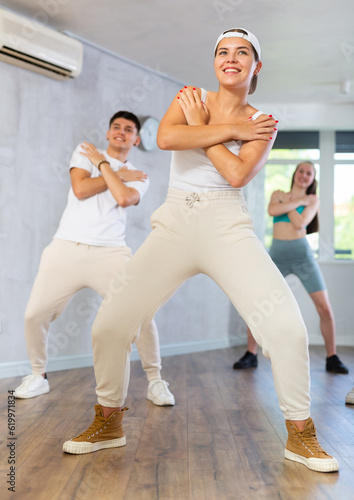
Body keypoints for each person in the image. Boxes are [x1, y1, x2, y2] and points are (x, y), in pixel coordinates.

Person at [62, 29, 339, 473]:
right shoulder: (190, 96)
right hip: (174, 224)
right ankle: (108, 421)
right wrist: (227, 129)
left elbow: (235, 175)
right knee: (109, 325)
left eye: (242, 52)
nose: (231, 58)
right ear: (214, 62)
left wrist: (201, 130)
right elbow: (168, 140)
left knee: (286, 329)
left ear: (256, 66)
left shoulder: (263, 122)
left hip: (227, 225)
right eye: (222, 52)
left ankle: (301, 434)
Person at [14, 111, 175, 407]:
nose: (121, 132)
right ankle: (38, 375)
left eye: (128, 129)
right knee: (33, 314)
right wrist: (115, 175)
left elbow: (124, 198)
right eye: (116, 127)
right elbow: (81, 189)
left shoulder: (139, 175)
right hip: (66, 247)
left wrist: (104, 168)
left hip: (110, 252)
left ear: (136, 139)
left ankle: (156, 381)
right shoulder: (85, 151)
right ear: (108, 132)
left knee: (141, 313)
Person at [233, 161, 349, 375]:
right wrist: (296, 201)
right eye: (301, 171)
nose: (304, 176)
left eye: (309, 174)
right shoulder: (278, 193)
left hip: (303, 257)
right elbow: (271, 210)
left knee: (325, 308)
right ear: (295, 174)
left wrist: (288, 202)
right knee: (257, 304)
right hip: (277, 255)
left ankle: (332, 358)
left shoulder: (312, 200)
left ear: (312, 180)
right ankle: (251, 354)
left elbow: (300, 224)